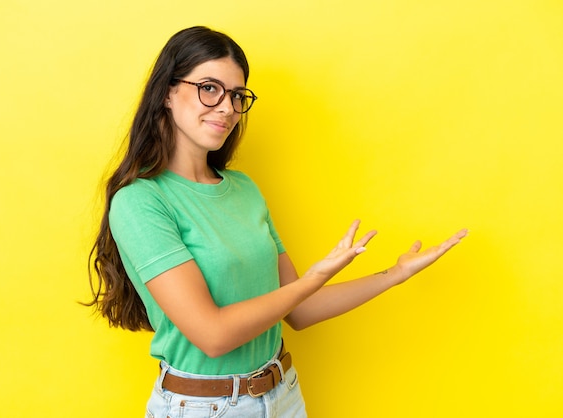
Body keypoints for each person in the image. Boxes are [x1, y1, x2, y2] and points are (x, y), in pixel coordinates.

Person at [85, 26, 468, 418]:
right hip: (205, 407)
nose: (227, 107)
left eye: (237, 96)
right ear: (167, 91)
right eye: (209, 88)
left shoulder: (243, 189)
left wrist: (394, 274)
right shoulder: (141, 201)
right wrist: (312, 280)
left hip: (283, 395)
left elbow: (299, 309)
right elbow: (212, 335)